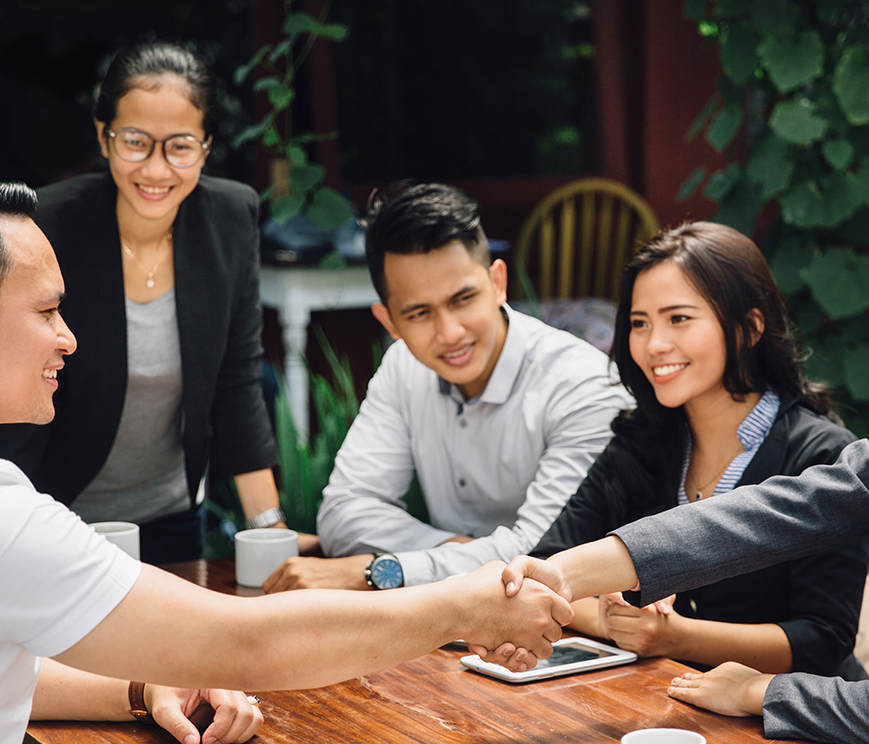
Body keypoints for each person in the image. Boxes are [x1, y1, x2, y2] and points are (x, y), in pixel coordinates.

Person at [0, 173, 571, 744]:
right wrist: (462, 601)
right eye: (46, 311)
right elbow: (245, 641)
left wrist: (142, 688)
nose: (68, 336)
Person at [499, 203, 869, 743]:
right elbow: (787, 509)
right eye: (639, 322)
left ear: (749, 327)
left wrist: (750, 684)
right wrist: (573, 578)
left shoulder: (821, 442)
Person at [0, 41, 294, 564]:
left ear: (206, 145)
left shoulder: (229, 218)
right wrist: (10, 531)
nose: (156, 169)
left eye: (179, 146)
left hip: (172, 517)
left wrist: (270, 533)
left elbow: (237, 380)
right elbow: (16, 385)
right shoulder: (49, 225)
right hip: (57, 517)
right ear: (103, 138)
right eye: (136, 141)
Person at [531, 222, 868, 677]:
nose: (654, 345)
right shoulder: (641, 439)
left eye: (679, 319)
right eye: (639, 323)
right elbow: (549, 560)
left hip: (784, 717)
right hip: (661, 703)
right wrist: (611, 615)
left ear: (749, 327)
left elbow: (823, 639)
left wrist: (676, 636)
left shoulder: (822, 456)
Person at [262, 182, 631, 593]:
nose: (450, 333)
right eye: (419, 313)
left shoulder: (586, 386)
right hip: (454, 624)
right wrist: (467, 553)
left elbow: (544, 554)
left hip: (587, 629)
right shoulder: (404, 366)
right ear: (389, 323)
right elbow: (344, 513)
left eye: (463, 299)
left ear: (498, 283)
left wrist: (390, 569)